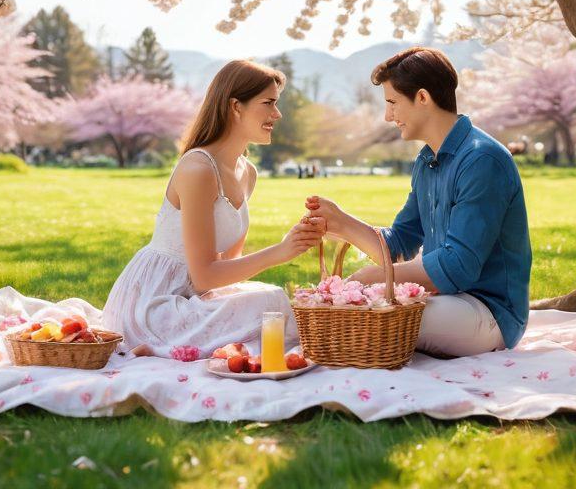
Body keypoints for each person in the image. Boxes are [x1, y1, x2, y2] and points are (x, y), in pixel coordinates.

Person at [306, 47, 531, 358]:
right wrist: (341, 222)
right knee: (339, 308)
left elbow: (459, 266)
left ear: (423, 98)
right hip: (445, 300)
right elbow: (399, 244)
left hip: (489, 311)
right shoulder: (428, 161)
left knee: (364, 312)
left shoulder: (482, 159)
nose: (388, 116)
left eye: (392, 103)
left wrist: (380, 278)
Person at [102, 59, 324, 357]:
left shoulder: (247, 173)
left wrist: (296, 238)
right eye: (268, 103)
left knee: (271, 299)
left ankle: (210, 345)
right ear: (236, 106)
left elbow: (228, 267)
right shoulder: (198, 168)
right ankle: (157, 343)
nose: (277, 113)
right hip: (153, 304)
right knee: (268, 304)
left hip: (197, 297)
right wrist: (280, 252)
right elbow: (205, 276)